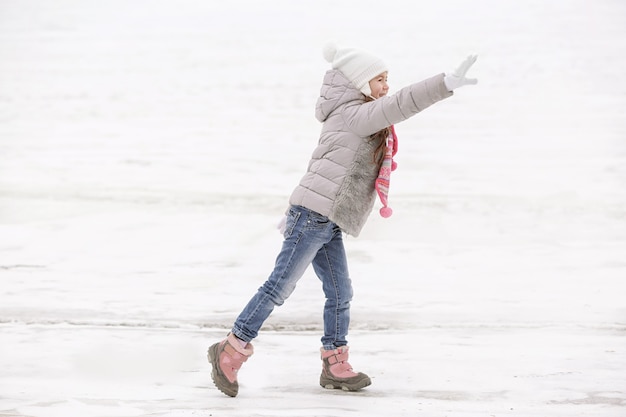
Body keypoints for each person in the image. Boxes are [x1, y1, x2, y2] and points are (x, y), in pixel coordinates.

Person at [208, 43, 478, 397]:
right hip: (312, 217)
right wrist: (445, 83)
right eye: (379, 79)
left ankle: (335, 362)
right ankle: (231, 348)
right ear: (360, 82)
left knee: (340, 292)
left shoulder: (352, 113)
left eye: (387, 79)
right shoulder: (355, 114)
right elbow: (401, 103)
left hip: (326, 217)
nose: (385, 87)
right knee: (278, 288)